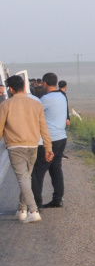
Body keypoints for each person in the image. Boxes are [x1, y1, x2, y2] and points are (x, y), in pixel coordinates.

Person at [0, 74, 53, 224]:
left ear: (10, 89)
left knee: (23, 179)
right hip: (33, 146)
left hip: (15, 146)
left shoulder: (5, 105)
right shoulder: (36, 104)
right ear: (24, 87)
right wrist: (48, 147)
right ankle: (22, 209)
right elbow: (44, 127)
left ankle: (33, 210)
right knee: (26, 178)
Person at [31, 72, 69, 209]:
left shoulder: (45, 99)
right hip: (62, 137)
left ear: (45, 83)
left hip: (49, 140)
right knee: (56, 169)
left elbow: (34, 114)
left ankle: (37, 203)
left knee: (38, 171)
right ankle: (58, 199)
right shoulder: (62, 96)